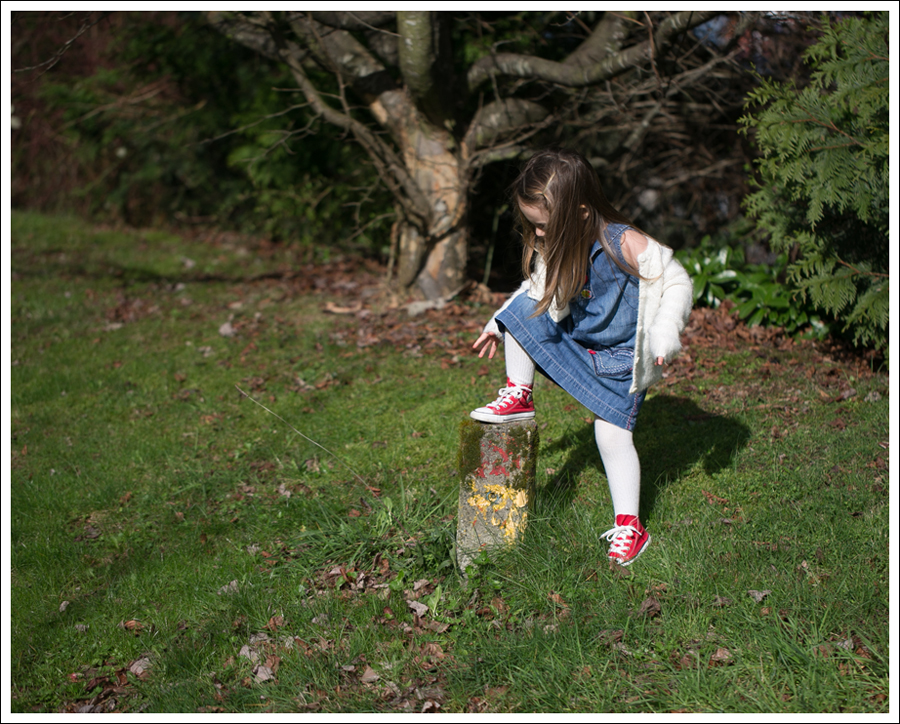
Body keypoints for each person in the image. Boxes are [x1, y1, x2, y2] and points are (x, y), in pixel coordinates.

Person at [471, 148, 693, 567]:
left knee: (611, 437)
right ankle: (519, 394)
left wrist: (664, 335)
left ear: (582, 213)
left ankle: (630, 526)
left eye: (543, 226)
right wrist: (497, 321)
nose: (537, 235)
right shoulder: (559, 240)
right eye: (533, 226)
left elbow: (676, 280)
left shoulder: (622, 241)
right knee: (517, 314)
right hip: (580, 342)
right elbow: (535, 287)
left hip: (621, 360)